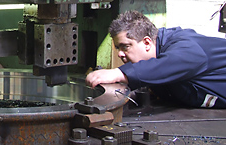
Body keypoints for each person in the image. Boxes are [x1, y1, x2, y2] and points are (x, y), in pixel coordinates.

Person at [85, 10, 226, 108]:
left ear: (147, 43)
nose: (120, 54)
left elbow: (183, 61)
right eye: (118, 48)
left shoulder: (185, 46)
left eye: (125, 47)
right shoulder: (155, 62)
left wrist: (119, 73)